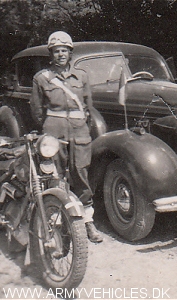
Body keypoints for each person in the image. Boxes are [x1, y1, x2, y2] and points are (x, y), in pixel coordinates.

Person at [30, 31, 103, 243]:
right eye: (56, 51)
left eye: (64, 50)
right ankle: (57, 220)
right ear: (51, 54)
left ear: (70, 53)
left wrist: (83, 127)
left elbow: (89, 107)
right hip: (54, 131)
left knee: (81, 174)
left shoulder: (82, 76)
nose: (61, 54)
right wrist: (47, 130)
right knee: (55, 175)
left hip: (79, 131)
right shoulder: (42, 78)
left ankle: (88, 222)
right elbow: (36, 110)